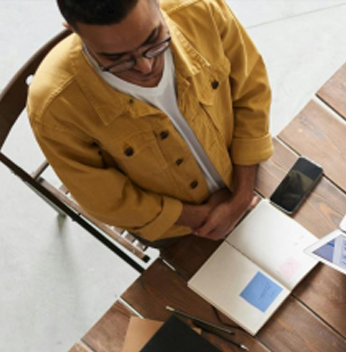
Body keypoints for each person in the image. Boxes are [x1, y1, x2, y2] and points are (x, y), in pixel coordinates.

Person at [28, 0, 273, 243]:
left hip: (248, 173)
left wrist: (240, 197)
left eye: (154, 40)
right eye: (117, 59)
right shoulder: (53, 107)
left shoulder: (200, 9)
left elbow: (251, 89)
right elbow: (105, 200)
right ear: (72, 29)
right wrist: (202, 218)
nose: (146, 66)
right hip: (179, 229)